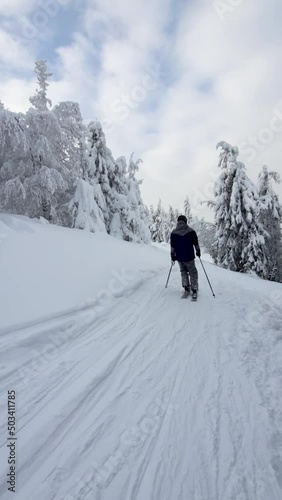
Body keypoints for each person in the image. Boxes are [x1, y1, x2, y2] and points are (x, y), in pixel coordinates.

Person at [170, 215, 201, 299]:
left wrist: (172, 255)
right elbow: (196, 243)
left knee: (183, 272)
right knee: (193, 272)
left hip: (179, 257)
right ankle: (194, 289)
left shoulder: (173, 233)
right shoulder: (191, 232)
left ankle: (186, 288)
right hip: (189, 256)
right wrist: (198, 251)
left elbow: (172, 246)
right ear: (185, 221)